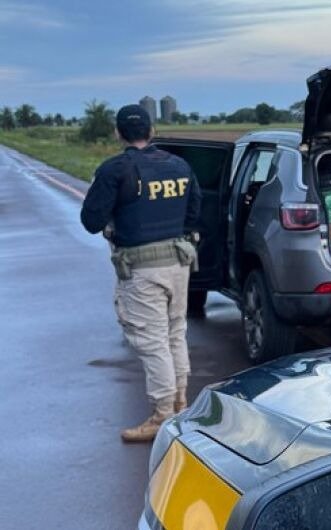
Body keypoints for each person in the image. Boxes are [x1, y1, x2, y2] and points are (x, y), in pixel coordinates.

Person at [80, 104, 202, 443]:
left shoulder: (115, 170)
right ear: (151, 130)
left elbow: (90, 222)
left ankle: (163, 414)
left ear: (118, 133)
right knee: (176, 333)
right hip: (179, 264)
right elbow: (195, 211)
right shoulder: (180, 165)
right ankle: (180, 404)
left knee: (152, 341)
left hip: (141, 268)